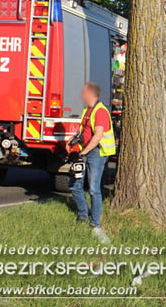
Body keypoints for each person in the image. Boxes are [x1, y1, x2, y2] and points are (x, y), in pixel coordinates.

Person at [69, 82, 115, 240]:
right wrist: (73, 141)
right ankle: (82, 215)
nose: (81, 95)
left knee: (94, 189)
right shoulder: (87, 110)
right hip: (85, 151)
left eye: (84, 92)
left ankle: (95, 224)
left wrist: (84, 151)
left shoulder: (100, 111)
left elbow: (98, 135)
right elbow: (84, 130)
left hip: (96, 152)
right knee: (75, 185)